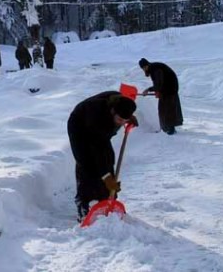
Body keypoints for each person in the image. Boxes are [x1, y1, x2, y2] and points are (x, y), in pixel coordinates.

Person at [67, 91, 138, 222]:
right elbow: (97, 151)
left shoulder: (119, 103)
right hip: (79, 126)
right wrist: (106, 177)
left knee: (109, 157)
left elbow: (104, 150)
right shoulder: (98, 118)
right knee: (86, 162)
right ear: (112, 112)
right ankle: (83, 203)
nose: (121, 123)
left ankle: (107, 197)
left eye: (124, 121)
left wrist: (128, 118)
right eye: (119, 120)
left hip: (99, 129)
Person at [139, 58, 183, 135]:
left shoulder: (156, 69)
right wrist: (157, 90)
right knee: (164, 109)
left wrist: (149, 90)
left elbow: (158, 84)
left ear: (146, 66)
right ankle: (166, 128)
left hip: (170, 90)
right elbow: (159, 84)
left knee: (167, 110)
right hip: (168, 89)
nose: (144, 70)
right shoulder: (154, 68)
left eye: (143, 68)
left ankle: (170, 130)